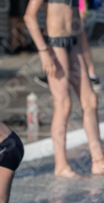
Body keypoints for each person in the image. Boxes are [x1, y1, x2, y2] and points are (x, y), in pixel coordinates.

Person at [24, 0, 104, 178]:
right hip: (54, 45)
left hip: (74, 43)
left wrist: (87, 61)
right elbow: (29, 17)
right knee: (64, 104)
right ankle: (61, 165)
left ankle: (99, 160)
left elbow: (77, 23)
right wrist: (44, 52)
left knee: (91, 101)